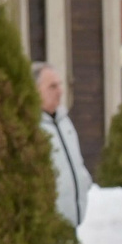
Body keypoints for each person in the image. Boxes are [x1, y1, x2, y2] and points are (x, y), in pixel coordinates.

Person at [32, 63, 91, 231]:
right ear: (36, 91)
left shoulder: (65, 122)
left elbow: (76, 160)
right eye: (52, 86)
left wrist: (83, 180)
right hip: (47, 228)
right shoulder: (32, 127)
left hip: (73, 224)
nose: (60, 91)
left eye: (60, 85)